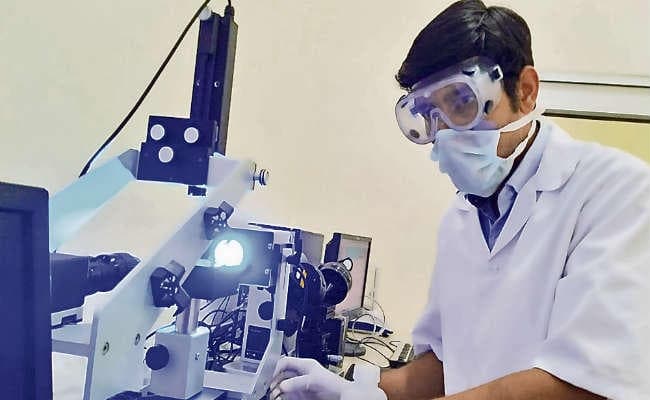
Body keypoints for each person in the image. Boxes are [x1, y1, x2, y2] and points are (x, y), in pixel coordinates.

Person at [270, 1, 650, 399]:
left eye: (461, 102)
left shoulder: (616, 193)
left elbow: (583, 385)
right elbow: (443, 364)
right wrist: (355, 389)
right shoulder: (461, 217)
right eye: (428, 113)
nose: (445, 132)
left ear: (525, 90)